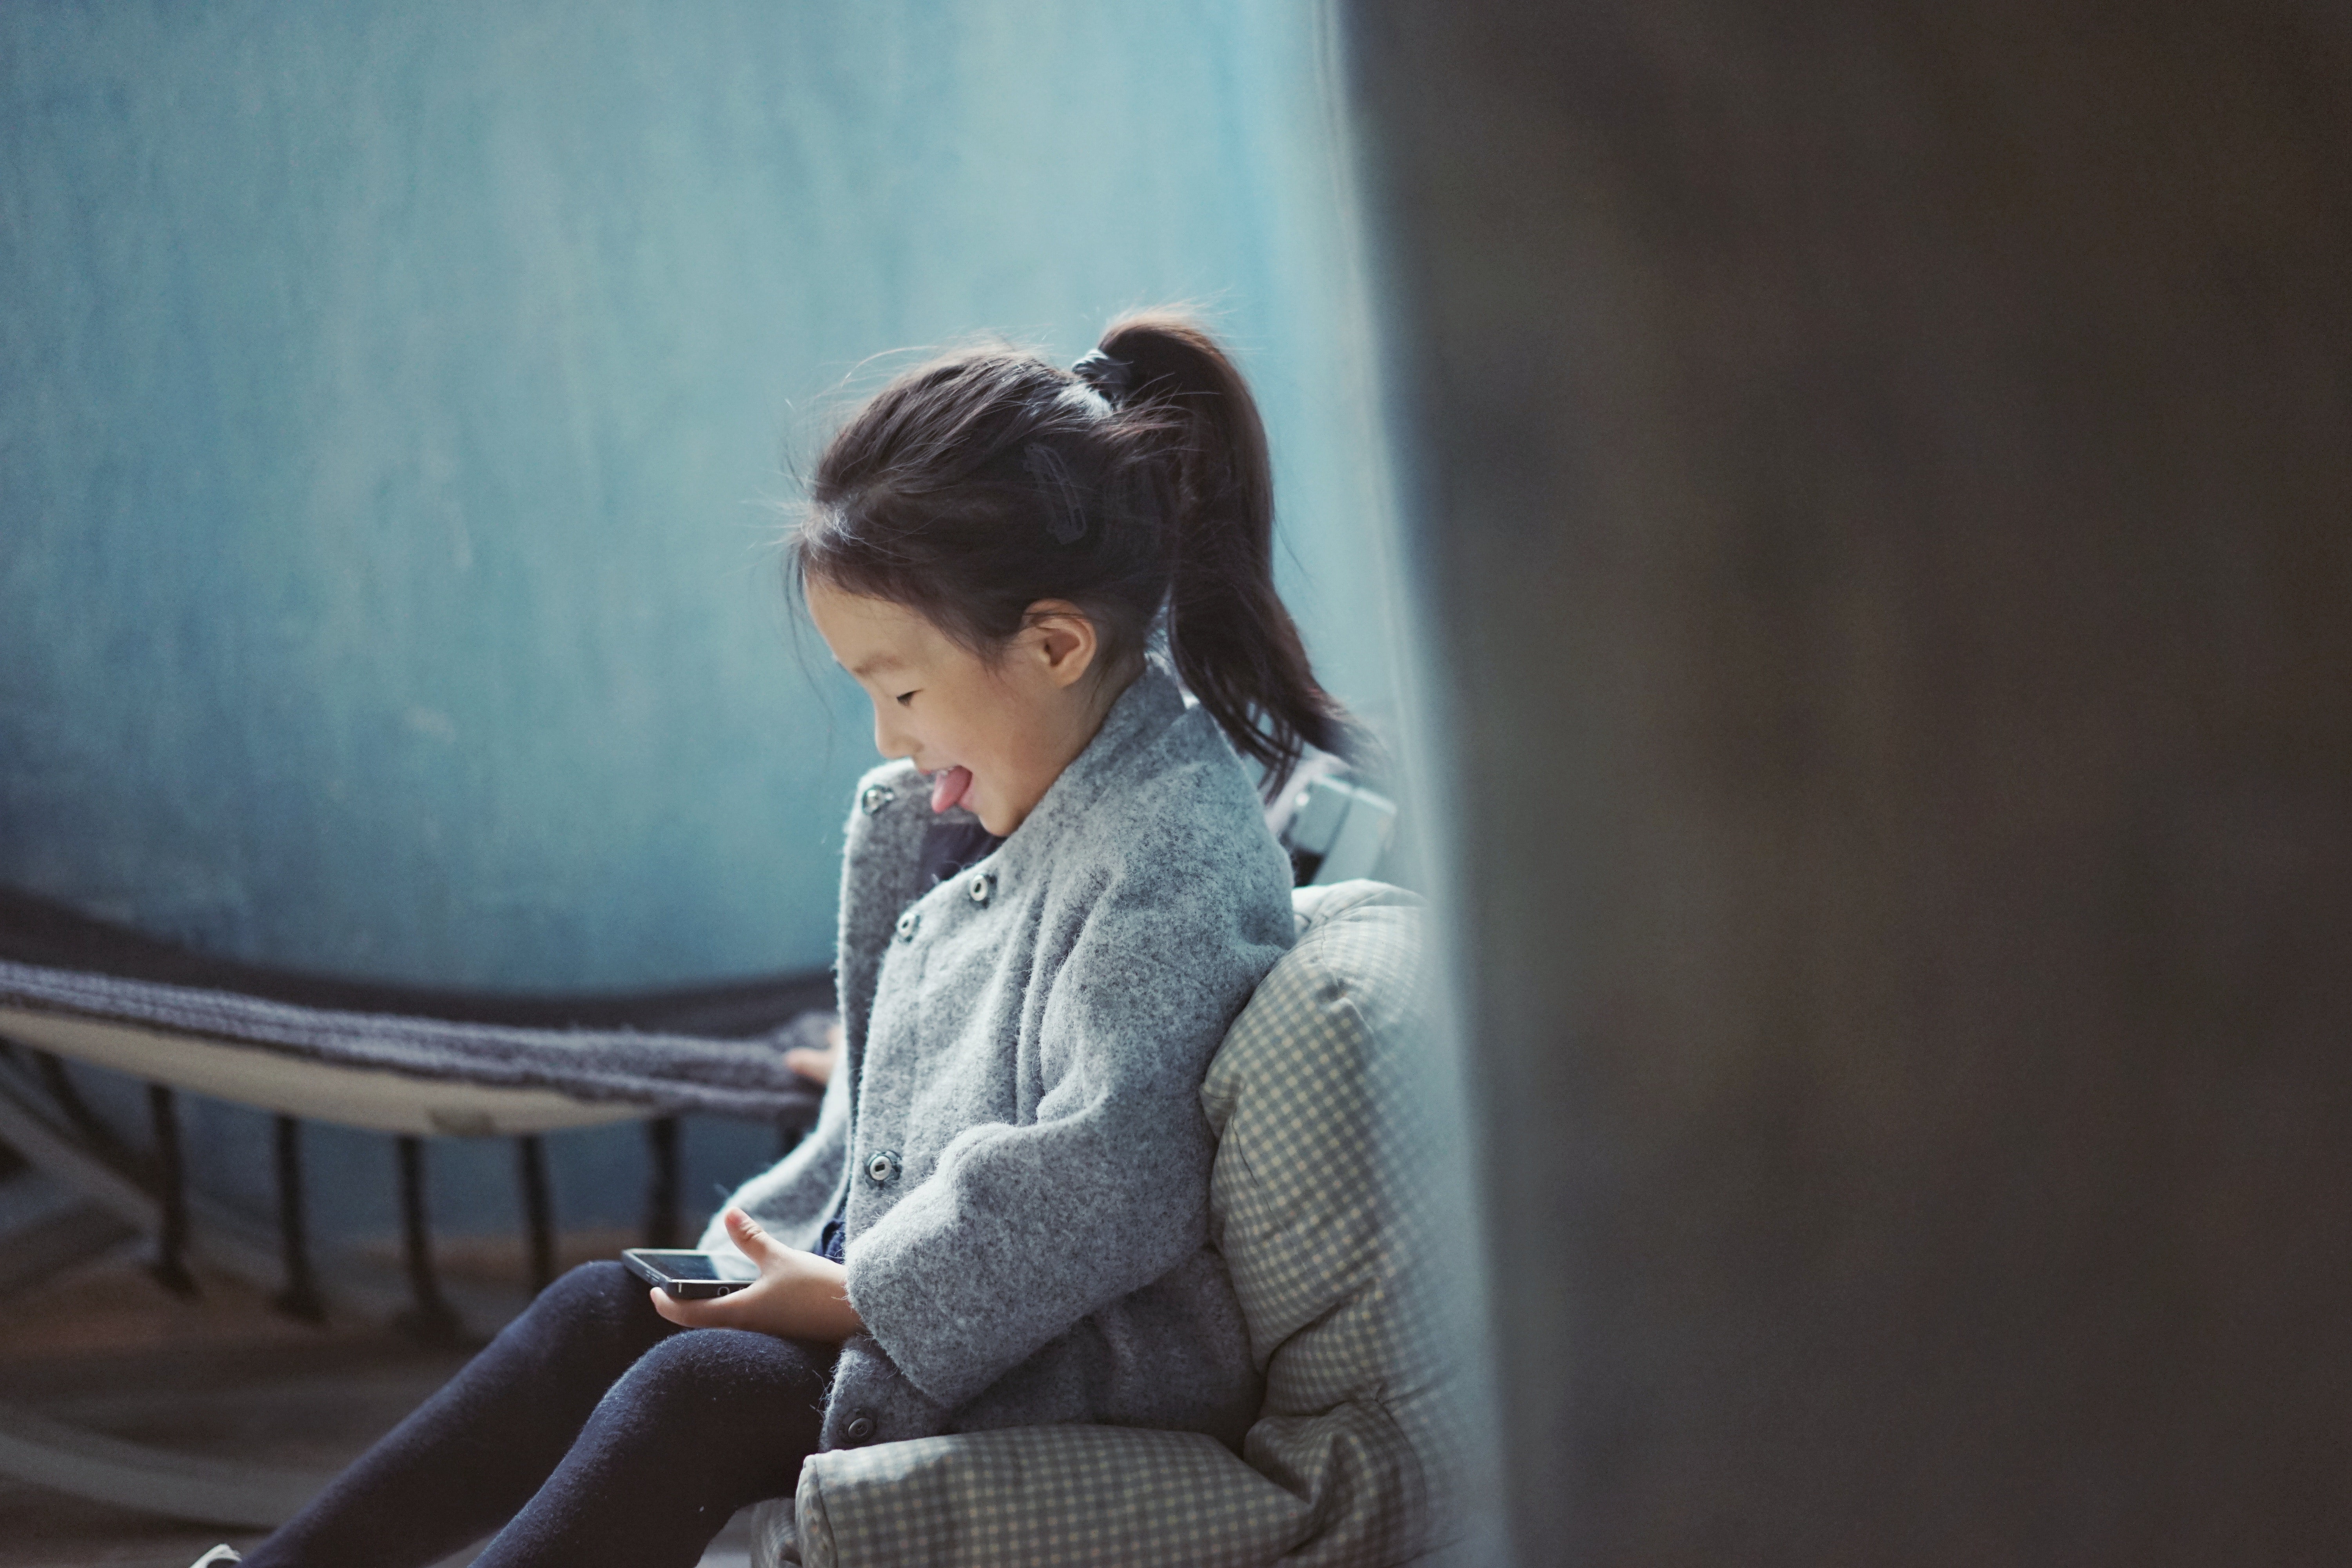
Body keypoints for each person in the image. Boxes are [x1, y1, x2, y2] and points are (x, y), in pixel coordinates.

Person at [218, 313, 1354, 1568]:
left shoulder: (1171, 851)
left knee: (689, 1396)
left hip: (1057, 1365)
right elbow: (899, 1092)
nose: (887, 740)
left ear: (1052, 645)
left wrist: (856, 1295)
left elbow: (1117, 1169)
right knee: (609, 1304)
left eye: (904, 691)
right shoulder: (945, 820)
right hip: (888, 1300)